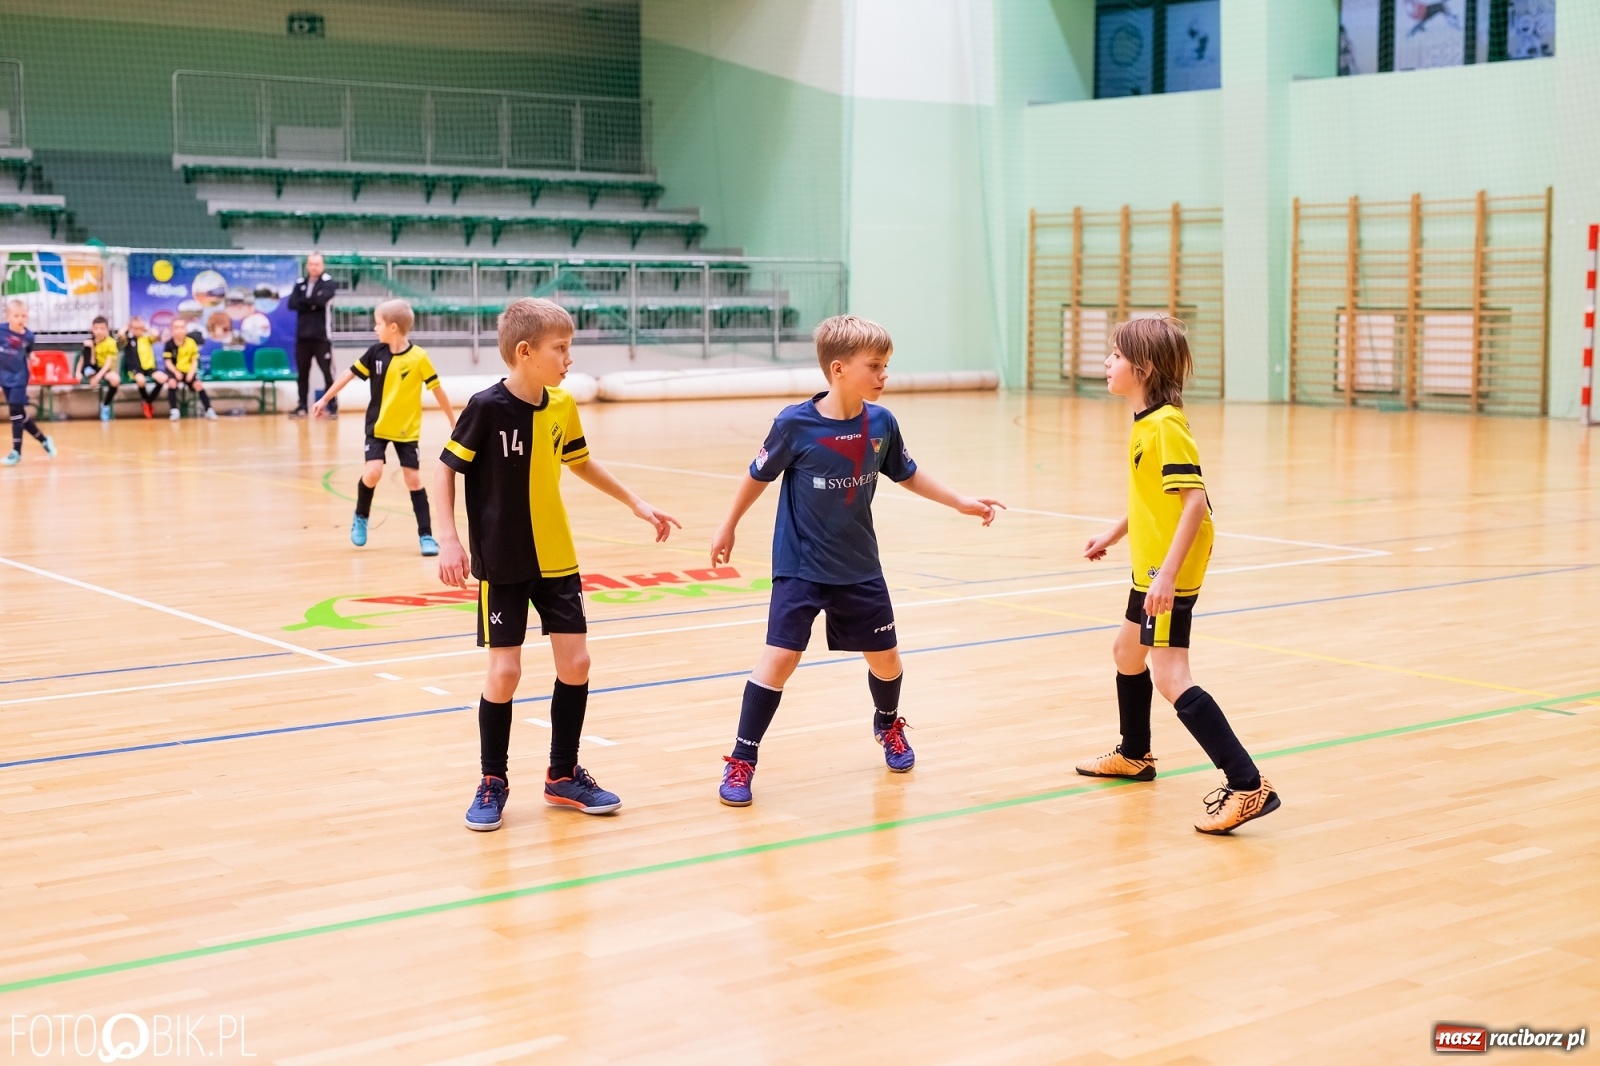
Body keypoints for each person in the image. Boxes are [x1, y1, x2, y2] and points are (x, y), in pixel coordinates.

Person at [709, 314, 1004, 807]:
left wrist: (960, 502)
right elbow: (756, 475)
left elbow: (906, 474)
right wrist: (729, 524)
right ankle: (742, 760)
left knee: (887, 661)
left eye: (886, 365)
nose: (884, 375)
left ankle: (887, 724)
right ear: (840, 369)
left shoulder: (881, 422)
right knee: (779, 660)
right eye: (876, 366)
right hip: (800, 566)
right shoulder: (794, 424)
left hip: (859, 566)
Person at [434, 297, 680, 831]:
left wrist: (635, 502)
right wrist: (448, 539)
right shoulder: (485, 407)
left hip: (557, 559)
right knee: (505, 671)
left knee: (578, 664)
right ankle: (492, 780)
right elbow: (445, 470)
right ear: (525, 352)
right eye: (560, 349)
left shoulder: (562, 406)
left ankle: (562, 775)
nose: (569, 359)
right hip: (502, 562)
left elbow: (580, 460)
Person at [1076, 316, 1281, 834]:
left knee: (1170, 675)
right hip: (1151, 566)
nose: (1107, 362)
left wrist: (1167, 577)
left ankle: (1247, 783)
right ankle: (1135, 753)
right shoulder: (1147, 422)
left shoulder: (1165, 426)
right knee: (1127, 653)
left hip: (1168, 570)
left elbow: (1194, 503)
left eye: (1116, 355)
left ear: (1142, 368)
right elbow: (1154, 498)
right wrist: (1116, 534)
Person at [314, 299, 453, 554]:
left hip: (407, 430)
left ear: (393, 327)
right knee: (373, 472)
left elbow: (438, 390)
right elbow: (348, 374)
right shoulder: (375, 353)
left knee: (413, 479)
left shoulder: (419, 358)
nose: (375, 328)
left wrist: (454, 421)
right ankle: (360, 516)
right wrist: (325, 398)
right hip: (377, 427)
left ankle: (426, 536)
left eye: (378, 323)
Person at [0, 300, 55, 465]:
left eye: (23, 316)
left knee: (15, 412)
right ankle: (44, 440)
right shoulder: (1, 331)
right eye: (16, 316)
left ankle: (16, 452)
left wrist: (33, 358)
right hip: (4, 377)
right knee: (20, 415)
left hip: (19, 377)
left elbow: (29, 352)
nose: (20, 319)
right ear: (8, 316)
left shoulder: (29, 336)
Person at [287, 252, 338, 418]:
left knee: (327, 373)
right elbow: (292, 303)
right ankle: (302, 406)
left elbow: (321, 301)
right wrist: (311, 302)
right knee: (302, 374)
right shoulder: (300, 283)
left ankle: (332, 405)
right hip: (302, 338)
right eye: (311, 264)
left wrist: (308, 302)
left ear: (322, 265)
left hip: (321, 337)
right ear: (307, 265)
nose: (314, 267)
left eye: (317, 264)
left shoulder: (328, 283)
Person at [162, 317, 217, 421]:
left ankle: (209, 410)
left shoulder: (191, 343)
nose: (179, 330)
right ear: (172, 330)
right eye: (176, 328)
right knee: (172, 383)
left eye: (182, 327)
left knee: (198, 385)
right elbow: (168, 362)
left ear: (186, 329)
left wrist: (191, 373)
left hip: (188, 371)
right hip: (175, 371)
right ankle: (174, 411)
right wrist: (175, 372)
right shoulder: (169, 344)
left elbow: (194, 361)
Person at [118, 316, 168, 420]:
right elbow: (121, 334)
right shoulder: (128, 340)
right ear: (130, 328)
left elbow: (156, 334)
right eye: (135, 328)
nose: (138, 330)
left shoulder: (147, 339)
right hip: (135, 369)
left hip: (149, 368)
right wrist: (128, 326)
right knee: (141, 381)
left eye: (140, 328)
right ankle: (147, 403)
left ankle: (147, 402)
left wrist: (146, 328)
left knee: (162, 378)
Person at [79, 316, 122, 421]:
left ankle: (105, 405)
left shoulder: (111, 343)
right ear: (92, 329)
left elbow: (108, 364)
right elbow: (83, 358)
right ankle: (90, 377)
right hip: (92, 367)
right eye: (96, 328)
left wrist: (98, 377)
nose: (99, 331)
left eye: (102, 328)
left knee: (115, 380)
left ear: (107, 330)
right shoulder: (89, 342)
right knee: (89, 370)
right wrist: (77, 372)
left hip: (105, 369)